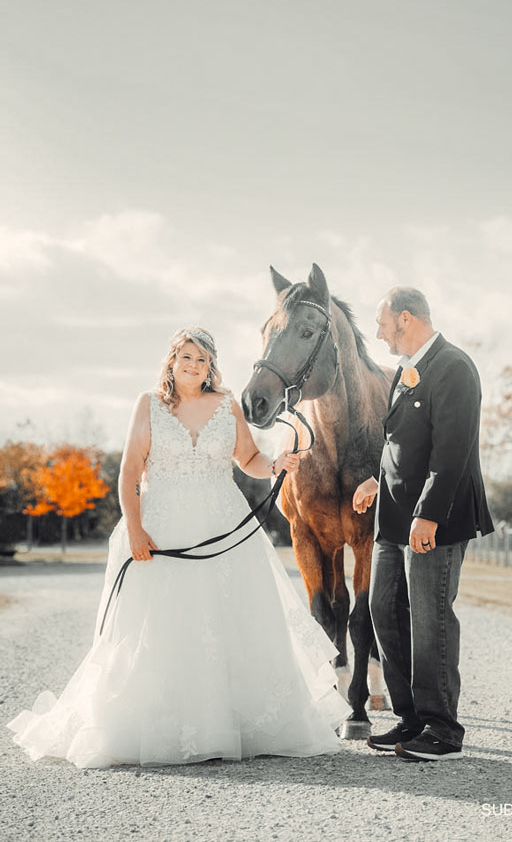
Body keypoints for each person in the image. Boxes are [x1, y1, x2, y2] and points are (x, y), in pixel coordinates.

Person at [8, 327, 349, 768]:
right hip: (161, 527)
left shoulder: (227, 405)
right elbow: (130, 470)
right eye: (186, 357)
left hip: (223, 527)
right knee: (162, 622)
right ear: (172, 360)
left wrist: (276, 464)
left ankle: (239, 723)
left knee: (233, 618)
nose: (193, 366)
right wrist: (134, 529)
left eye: (202, 360)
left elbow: (249, 460)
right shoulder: (148, 404)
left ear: (211, 366)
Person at [353, 289, 494, 761]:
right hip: (392, 517)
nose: (377, 333)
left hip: (435, 519)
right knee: (382, 609)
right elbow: (402, 441)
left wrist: (428, 513)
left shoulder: (454, 367)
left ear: (406, 318)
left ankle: (442, 729)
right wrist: (377, 480)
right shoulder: (406, 369)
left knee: (429, 616)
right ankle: (410, 718)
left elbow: (452, 450)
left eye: (381, 323)